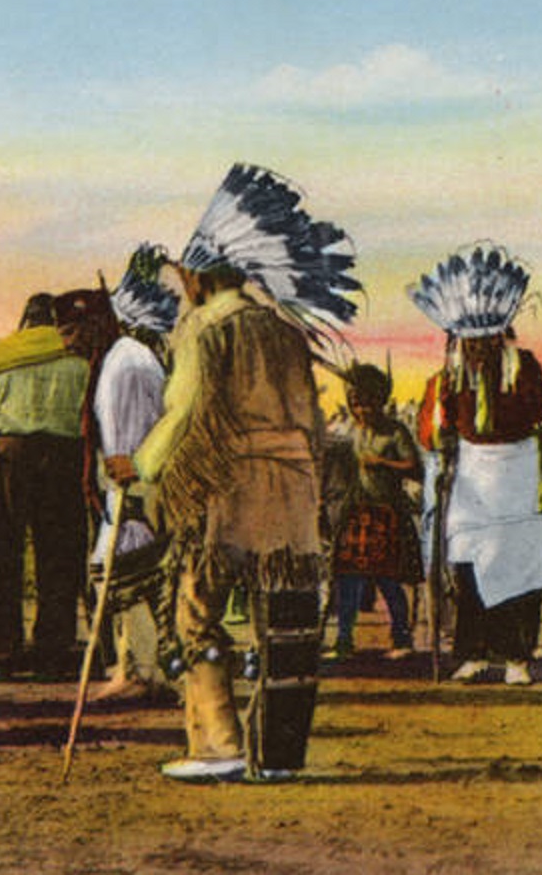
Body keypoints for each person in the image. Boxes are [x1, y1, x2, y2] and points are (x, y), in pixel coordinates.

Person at [132, 163, 360, 783]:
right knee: (284, 621)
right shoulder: (285, 330)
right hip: (292, 496)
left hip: (229, 495)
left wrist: (142, 471)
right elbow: (313, 421)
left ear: (201, 278)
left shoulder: (205, 327)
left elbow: (185, 412)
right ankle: (280, 756)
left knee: (196, 614)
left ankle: (219, 746)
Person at [411, 244, 542, 687]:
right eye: (470, 342)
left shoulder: (524, 368)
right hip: (471, 481)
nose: (478, 349)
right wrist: (438, 445)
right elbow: (432, 432)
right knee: (466, 566)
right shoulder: (448, 376)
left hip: (517, 476)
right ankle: (473, 653)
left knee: (518, 571)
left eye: (486, 340)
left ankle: (516, 657)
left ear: (501, 335)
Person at [52, 245, 181, 700]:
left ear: (93, 323)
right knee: (122, 578)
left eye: (71, 331)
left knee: (124, 576)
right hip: (127, 491)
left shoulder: (124, 364)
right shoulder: (114, 359)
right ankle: (138, 668)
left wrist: (128, 491)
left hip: (135, 491)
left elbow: (128, 438)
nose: (67, 343)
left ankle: (143, 672)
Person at [0, 293, 89, 681]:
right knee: (58, 557)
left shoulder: (0, 353)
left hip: (7, 456)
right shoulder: (77, 356)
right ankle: (52, 655)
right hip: (64, 459)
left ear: (25, 321)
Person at [325, 363, 421, 661]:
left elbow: (415, 467)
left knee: (388, 580)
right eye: (356, 405)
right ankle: (344, 641)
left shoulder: (395, 431)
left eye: (367, 404)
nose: (361, 411)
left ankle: (402, 638)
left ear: (380, 401)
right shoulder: (351, 431)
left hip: (387, 514)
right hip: (355, 513)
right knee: (348, 580)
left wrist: (382, 463)